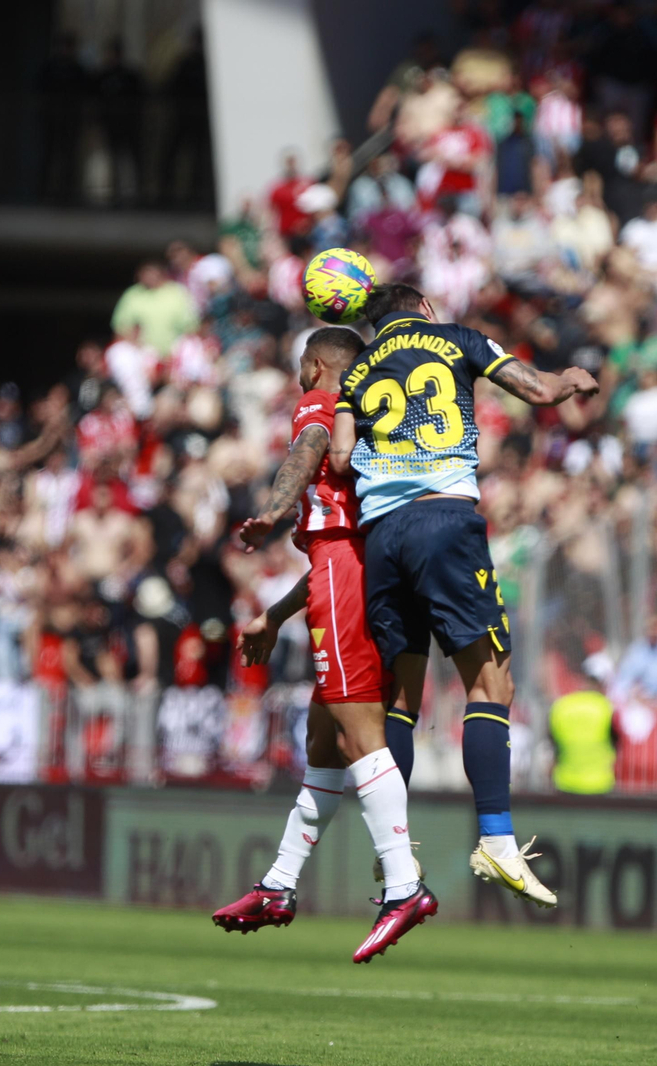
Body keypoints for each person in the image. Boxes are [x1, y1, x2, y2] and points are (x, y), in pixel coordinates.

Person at [330, 283, 599, 908]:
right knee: (491, 684)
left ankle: (394, 849)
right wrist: (571, 379)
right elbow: (537, 390)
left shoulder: (357, 373)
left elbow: (341, 459)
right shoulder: (455, 339)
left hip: (383, 537)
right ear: (423, 309)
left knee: (400, 698)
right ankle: (497, 842)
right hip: (444, 523)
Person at [214, 328, 434, 964]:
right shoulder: (377, 414)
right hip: (367, 569)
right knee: (324, 741)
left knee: (359, 733)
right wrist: (276, 615)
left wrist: (273, 510)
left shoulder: (323, 402)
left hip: (345, 569)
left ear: (314, 366)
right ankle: (278, 884)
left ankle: (404, 885)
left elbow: (308, 451)